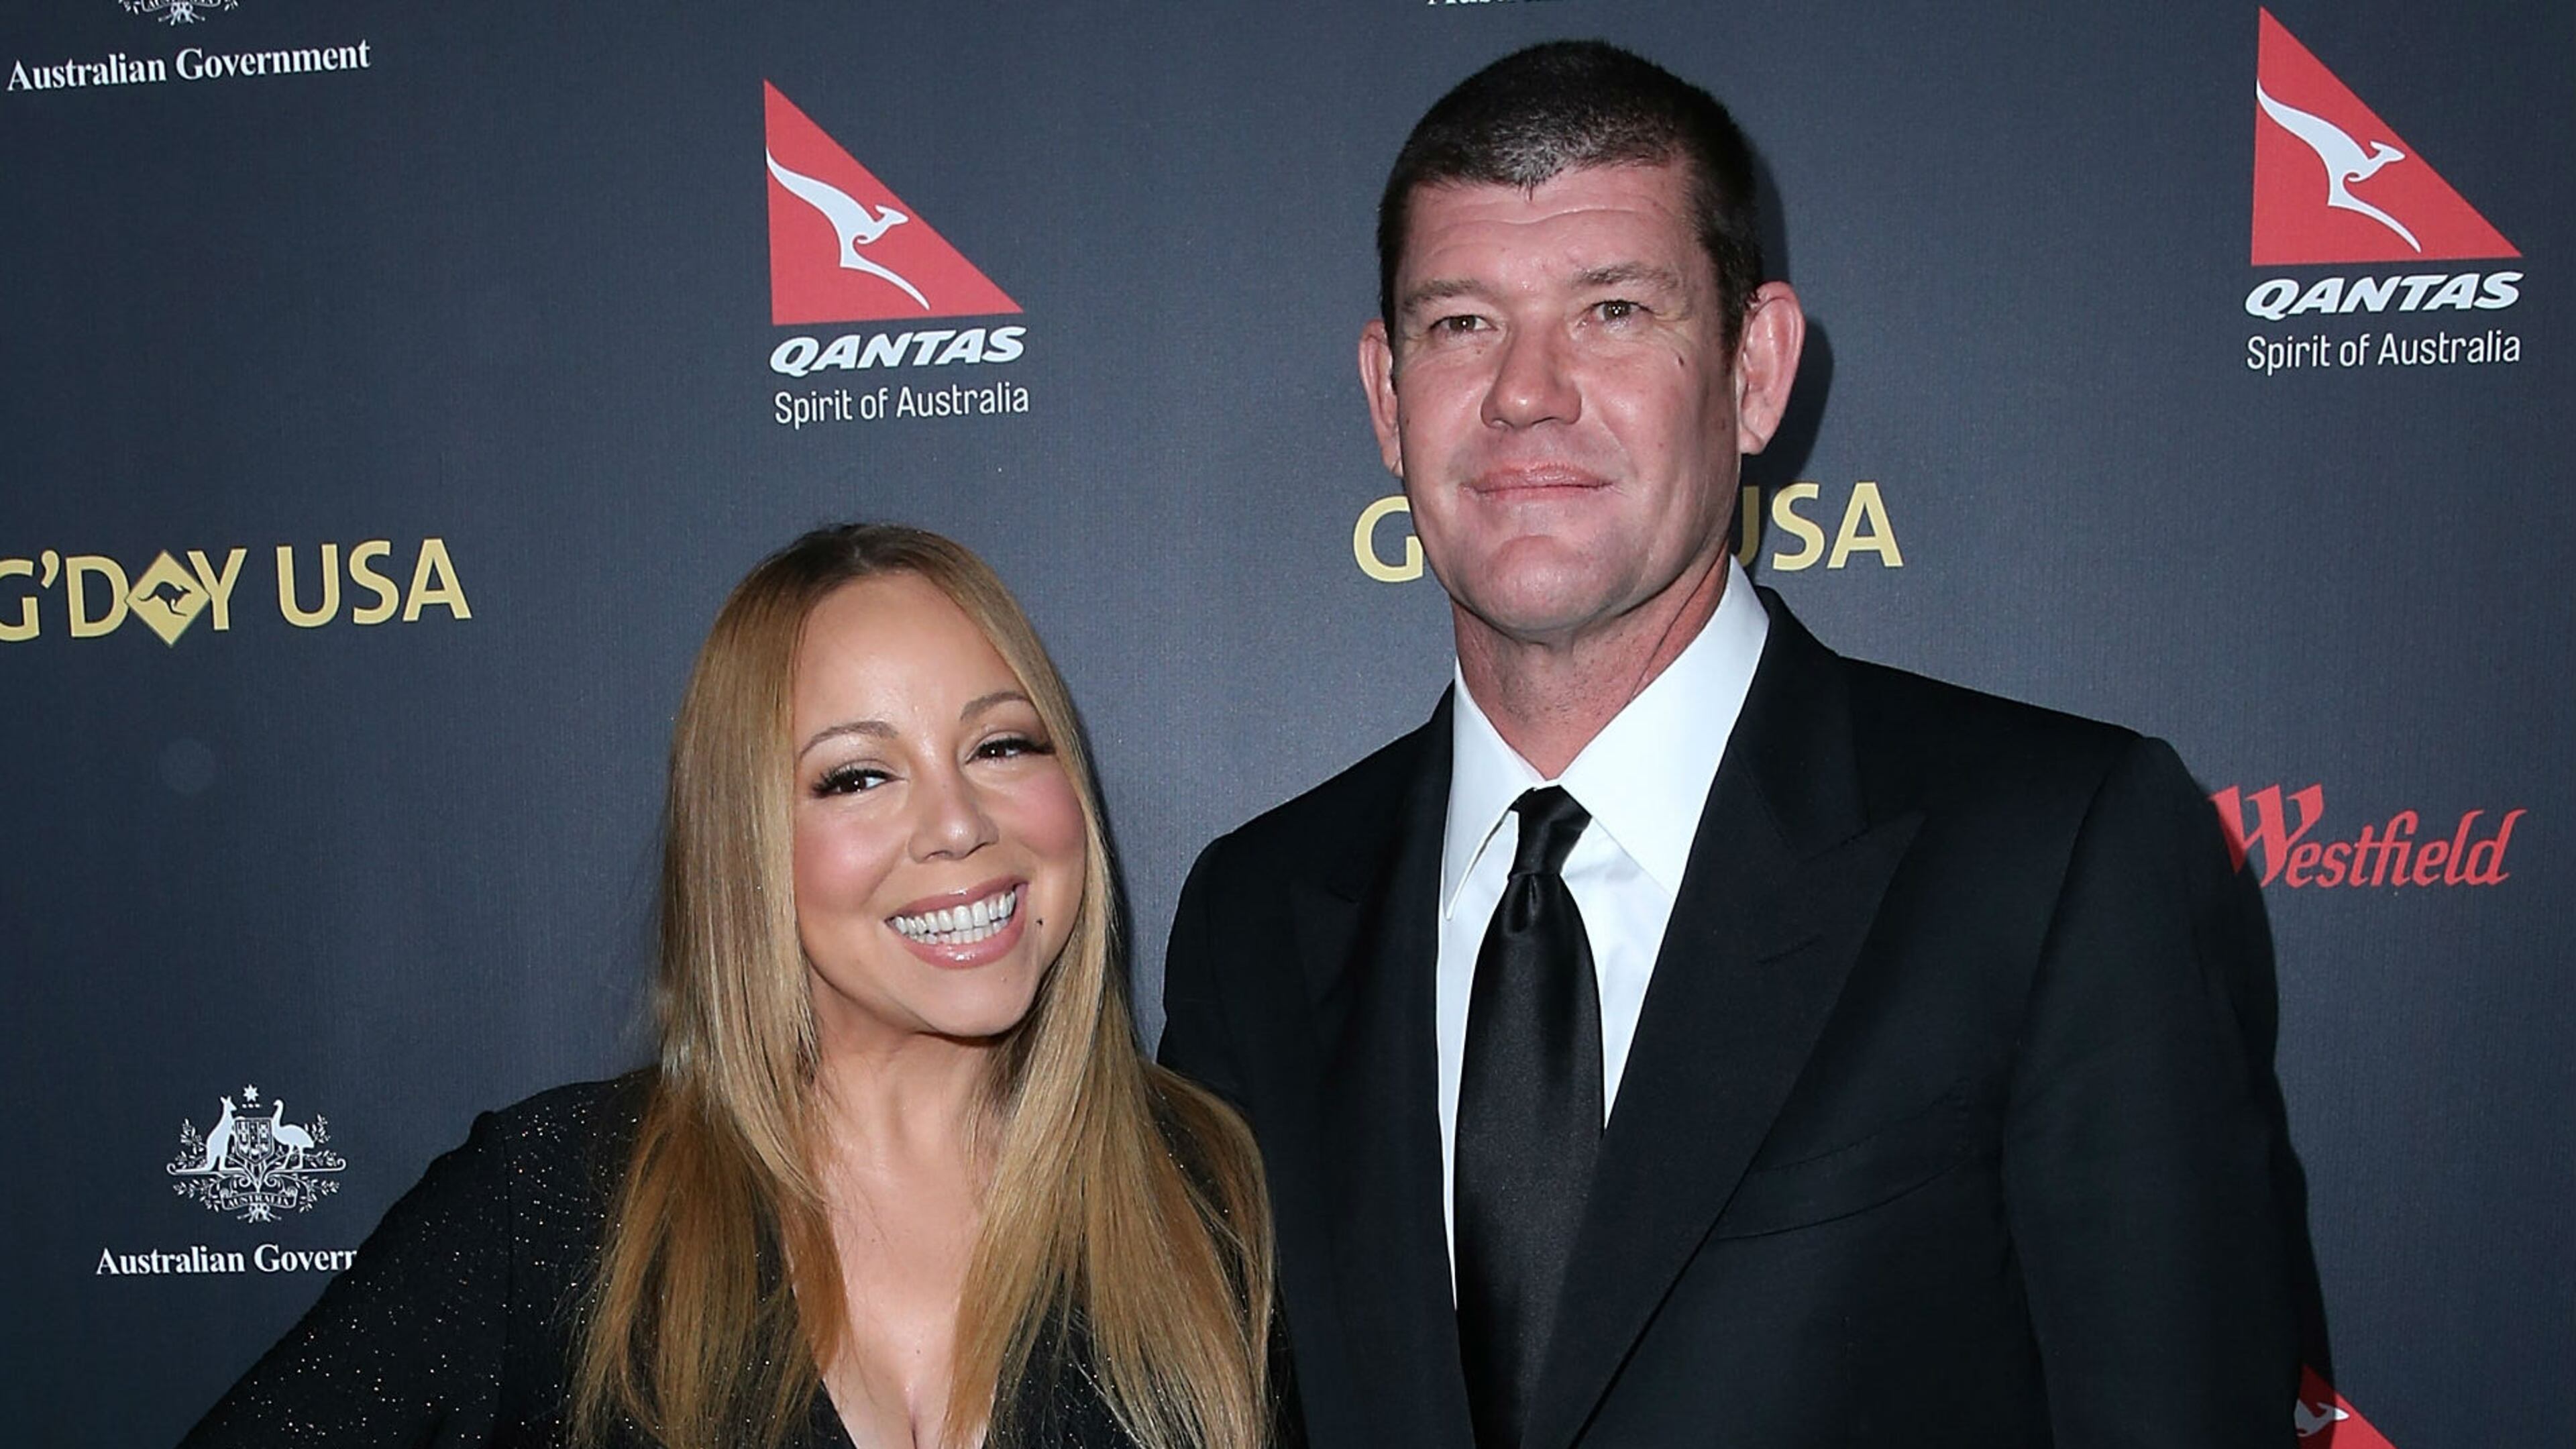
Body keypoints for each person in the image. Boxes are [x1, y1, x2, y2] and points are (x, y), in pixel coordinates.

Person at [1159, 40, 2303, 1449]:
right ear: (1388, 396)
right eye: (1460, 323)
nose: (1527, 392)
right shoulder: (1256, 916)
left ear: (1756, 370)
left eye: (1615, 311)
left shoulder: (2054, 857)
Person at [186, 524, 1286, 1449]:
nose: (959, 825)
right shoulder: (559, 1211)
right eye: (858, 775)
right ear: (745, 842)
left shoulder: (1202, 1194)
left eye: (1001, 746)